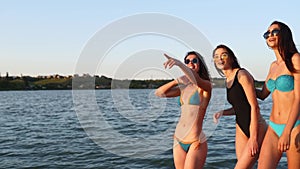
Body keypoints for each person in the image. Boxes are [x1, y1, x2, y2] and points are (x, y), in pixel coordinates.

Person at [212, 44, 267, 168]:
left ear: (231, 58)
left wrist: (254, 138)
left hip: (256, 126)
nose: (220, 58)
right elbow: (239, 107)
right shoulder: (227, 80)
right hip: (241, 128)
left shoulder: (242, 74)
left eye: (224, 55)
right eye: (216, 57)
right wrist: (222, 112)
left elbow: (254, 106)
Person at [155, 51, 212, 169]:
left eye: (194, 61)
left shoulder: (205, 86)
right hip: (178, 139)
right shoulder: (183, 88)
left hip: (195, 141)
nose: (191, 63)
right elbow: (159, 93)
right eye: (187, 61)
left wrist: (180, 64)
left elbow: (197, 80)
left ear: (200, 64)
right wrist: (177, 81)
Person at [256, 21, 300, 169]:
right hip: (273, 127)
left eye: (275, 31)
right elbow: (262, 94)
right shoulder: (273, 66)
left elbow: (299, 98)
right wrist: (243, 85)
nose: (270, 35)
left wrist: (287, 132)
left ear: (285, 35)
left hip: (294, 127)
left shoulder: (295, 59)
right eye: (267, 33)